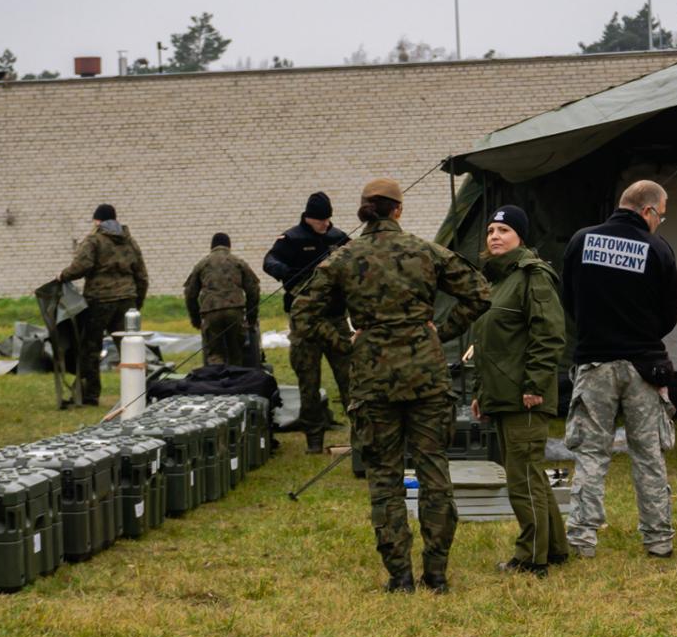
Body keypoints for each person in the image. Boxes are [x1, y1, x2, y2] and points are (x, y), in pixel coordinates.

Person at [292, 178, 489, 594]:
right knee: (435, 473)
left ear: (365, 210)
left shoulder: (344, 257)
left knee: (385, 478)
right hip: (427, 379)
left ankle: (399, 576)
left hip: (373, 382)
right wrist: (440, 331)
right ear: (398, 210)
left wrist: (346, 342)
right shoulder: (426, 251)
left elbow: (303, 313)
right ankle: (436, 574)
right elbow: (479, 293)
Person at [558, 179, 677, 560]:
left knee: (591, 454)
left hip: (594, 364)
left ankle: (581, 539)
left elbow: (569, 300)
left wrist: (596, 330)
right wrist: (640, 332)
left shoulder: (581, 241)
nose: (659, 222)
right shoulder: (658, 248)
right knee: (649, 455)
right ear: (647, 210)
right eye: (660, 215)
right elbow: (670, 313)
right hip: (644, 367)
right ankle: (658, 540)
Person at [467, 206, 568, 577]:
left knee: (522, 479)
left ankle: (530, 558)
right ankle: (555, 548)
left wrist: (535, 385)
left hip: (525, 396)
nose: (494, 236)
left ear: (520, 237)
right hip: (503, 395)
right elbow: (489, 345)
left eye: (504, 230)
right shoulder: (498, 280)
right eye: (491, 230)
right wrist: (481, 393)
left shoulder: (532, 276)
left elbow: (549, 333)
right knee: (530, 474)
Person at [264, 192, 353, 454]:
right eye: (320, 220)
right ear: (308, 218)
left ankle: (360, 435)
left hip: (335, 318)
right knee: (309, 381)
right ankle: (314, 441)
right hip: (305, 322)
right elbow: (269, 261)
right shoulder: (291, 239)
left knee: (349, 377)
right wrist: (285, 272)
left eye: (328, 219)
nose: (325, 224)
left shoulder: (338, 238)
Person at [57, 204, 149, 408]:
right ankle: (144, 391)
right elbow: (142, 275)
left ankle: (89, 396)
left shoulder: (94, 240)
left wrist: (63, 276)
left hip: (99, 301)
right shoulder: (129, 241)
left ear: (98, 221)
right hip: (127, 300)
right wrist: (136, 304)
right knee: (130, 347)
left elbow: (81, 266)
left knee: (90, 349)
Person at [184, 233, 260, 368]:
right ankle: (236, 376)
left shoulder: (202, 264)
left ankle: (217, 377)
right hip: (235, 311)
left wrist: (196, 320)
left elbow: (190, 294)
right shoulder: (238, 262)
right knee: (236, 352)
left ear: (211, 246)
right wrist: (251, 317)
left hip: (211, 312)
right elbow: (253, 290)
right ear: (229, 246)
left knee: (215, 354)